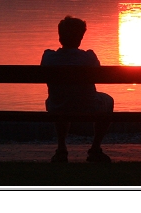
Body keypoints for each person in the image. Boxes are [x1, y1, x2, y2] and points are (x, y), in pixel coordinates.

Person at [40, 16, 113, 163]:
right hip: (87, 105)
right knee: (108, 100)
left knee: (60, 99)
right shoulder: (89, 57)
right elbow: (97, 76)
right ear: (80, 37)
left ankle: (61, 149)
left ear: (60, 36)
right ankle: (95, 149)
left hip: (58, 105)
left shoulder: (48, 57)